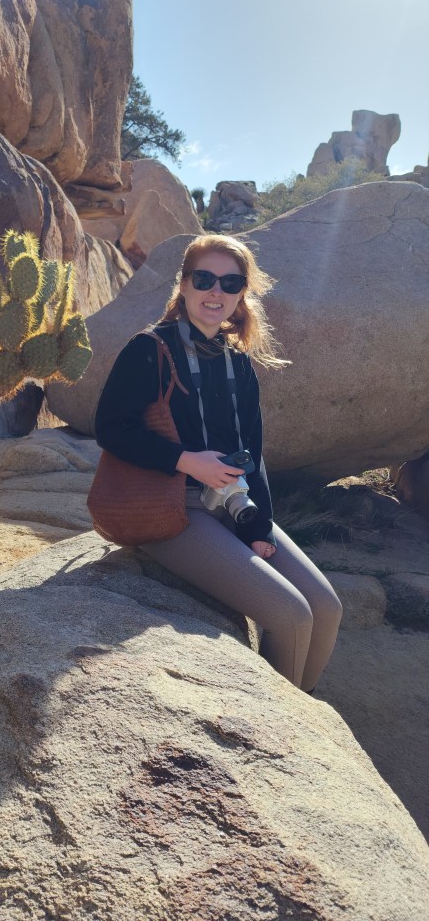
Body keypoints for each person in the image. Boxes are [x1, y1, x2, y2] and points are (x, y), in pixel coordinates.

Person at [94, 234, 342, 691]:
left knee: (326, 608)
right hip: (171, 509)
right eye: (204, 279)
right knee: (290, 615)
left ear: (241, 293)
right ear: (184, 283)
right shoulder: (150, 349)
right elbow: (111, 428)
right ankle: (276, 723)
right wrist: (186, 460)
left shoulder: (237, 362)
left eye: (230, 283)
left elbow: (252, 451)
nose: (216, 292)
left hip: (233, 502)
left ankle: (300, 715)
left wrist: (259, 528)